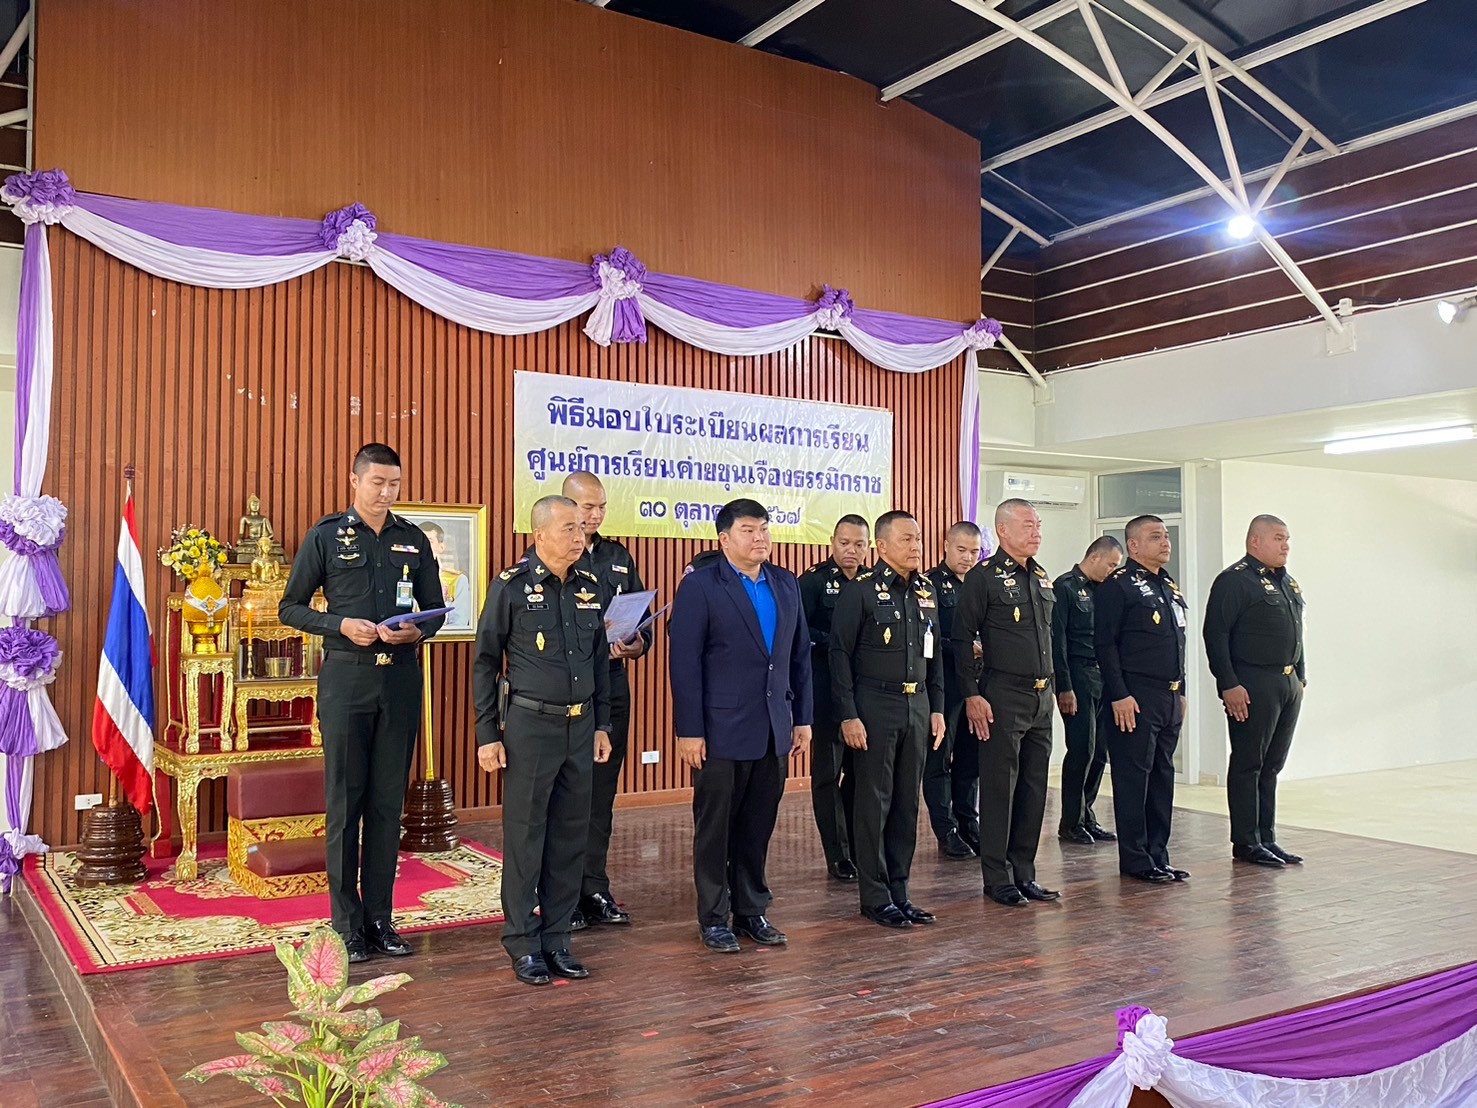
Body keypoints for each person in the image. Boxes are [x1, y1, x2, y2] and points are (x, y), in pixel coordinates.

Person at [279, 443, 446, 962]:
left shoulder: (412, 539)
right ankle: (347, 926)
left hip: (399, 679)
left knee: (386, 805)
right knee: (346, 805)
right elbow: (291, 607)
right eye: (377, 482)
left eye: (394, 484)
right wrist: (340, 625)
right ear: (354, 481)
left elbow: (435, 609)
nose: (386, 493)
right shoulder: (327, 536)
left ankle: (380, 919)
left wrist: (417, 631)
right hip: (347, 680)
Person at [472, 495, 612, 986]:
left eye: (581, 528)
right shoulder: (510, 587)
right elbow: (485, 662)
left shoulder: (590, 586)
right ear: (539, 535)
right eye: (569, 527)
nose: (579, 536)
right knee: (526, 838)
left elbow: (600, 663)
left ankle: (557, 939)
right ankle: (522, 942)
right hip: (530, 727)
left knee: (570, 838)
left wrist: (602, 724)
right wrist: (487, 734)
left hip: (580, 726)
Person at [668, 499, 812, 953]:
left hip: (772, 727)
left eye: (764, 528)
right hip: (719, 730)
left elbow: (799, 656)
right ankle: (714, 917)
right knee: (715, 829)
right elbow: (684, 664)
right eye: (748, 530)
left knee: (757, 825)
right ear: (724, 539)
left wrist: (802, 718)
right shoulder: (701, 586)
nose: (760, 538)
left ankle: (751, 910)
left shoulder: (785, 583)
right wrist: (689, 730)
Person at [830, 510, 945, 930]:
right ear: (881, 546)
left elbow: (935, 656)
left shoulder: (926, 590)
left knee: (906, 803)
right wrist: (848, 715)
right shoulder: (861, 591)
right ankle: (875, 896)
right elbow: (839, 655)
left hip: (918, 705)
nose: (916, 546)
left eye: (918, 538)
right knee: (873, 803)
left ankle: (900, 891)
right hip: (875, 705)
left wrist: (937, 708)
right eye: (906, 539)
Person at [954, 499, 1060, 908]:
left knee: (1034, 788)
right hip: (1002, 694)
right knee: (1001, 788)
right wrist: (971, 694)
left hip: (1041, 697)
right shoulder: (983, 578)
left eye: (1039, 525)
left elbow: (1051, 639)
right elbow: (962, 638)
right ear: (1002, 530)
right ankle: (997, 876)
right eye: (1028, 524)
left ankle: (1025, 872)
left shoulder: (1041, 576)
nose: (1037, 532)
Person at [561, 471, 653, 927]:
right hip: (569, 691)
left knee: (601, 793)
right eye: (586, 507)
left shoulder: (618, 556)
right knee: (566, 796)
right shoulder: (553, 554)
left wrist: (636, 643)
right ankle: (561, 894)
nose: (595, 515)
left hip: (612, 686)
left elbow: (640, 620)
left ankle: (594, 887)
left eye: (601, 507)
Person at [1203, 514, 1307, 868]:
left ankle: (1267, 837)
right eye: (1278, 538)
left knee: (1272, 765)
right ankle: (1246, 841)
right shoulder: (1235, 581)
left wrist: (1301, 677)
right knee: (1249, 762)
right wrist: (1228, 683)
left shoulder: (1287, 582)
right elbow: (1215, 635)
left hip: (1287, 683)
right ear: (1255, 541)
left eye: (1287, 538)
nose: (1286, 545)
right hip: (1252, 683)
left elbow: (1297, 631)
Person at [1094, 514, 1190, 886]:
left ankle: (1158, 855)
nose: (1165, 543)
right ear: (1133, 545)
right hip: (1135, 696)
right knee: (1134, 779)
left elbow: (1177, 643)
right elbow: (1105, 645)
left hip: (1168, 696)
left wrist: (1181, 690)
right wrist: (1119, 694)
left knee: (1163, 777)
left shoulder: (1167, 585)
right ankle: (1136, 858)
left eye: (1166, 536)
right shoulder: (1118, 586)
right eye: (1155, 537)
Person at [798, 514, 870, 881]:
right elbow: (799, 630)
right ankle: (837, 853)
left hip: (866, 692)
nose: (851, 551)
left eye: (859, 544)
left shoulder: (875, 582)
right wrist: (839, 643)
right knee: (828, 774)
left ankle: (857, 846)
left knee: (860, 773)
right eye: (844, 543)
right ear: (832, 543)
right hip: (826, 690)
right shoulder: (813, 581)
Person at [1052, 536, 1125, 846]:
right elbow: (1058, 641)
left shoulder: (1106, 590)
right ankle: (1070, 822)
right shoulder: (1065, 587)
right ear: (1094, 557)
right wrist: (1064, 687)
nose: (1113, 571)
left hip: (1104, 676)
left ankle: (1087, 815)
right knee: (1082, 749)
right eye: (1111, 564)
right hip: (1078, 675)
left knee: (1100, 752)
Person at [922, 522, 984, 859]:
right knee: (939, 759)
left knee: (970, 760)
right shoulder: (929, 585)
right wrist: (961, 647)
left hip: (975, 685)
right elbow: (925, 640)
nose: (968, 557)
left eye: (974, 551)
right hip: (943, 684)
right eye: (961, 550)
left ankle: (968, 823)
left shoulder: (981, 583)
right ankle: (945, 830)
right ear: (946, 545)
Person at [421, 522, 474, 630]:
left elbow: (459, 623)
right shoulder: (404, 577)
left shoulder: (457, 580)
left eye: (429, 541)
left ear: (441, 547)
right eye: (419, 541)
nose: (423, 546)